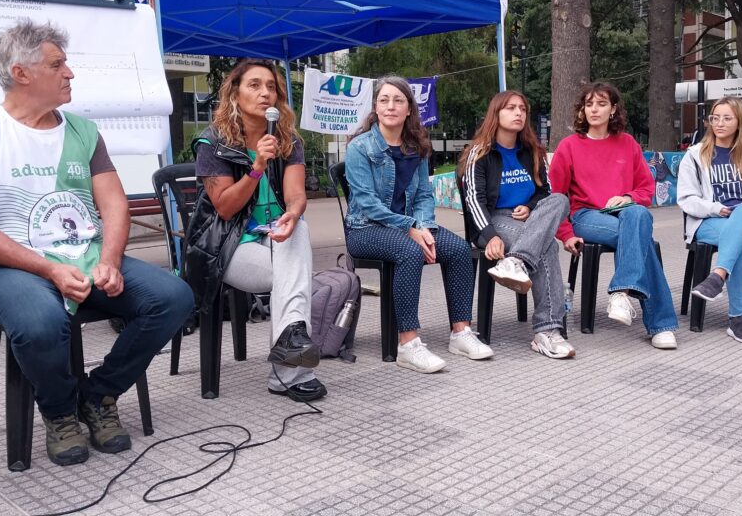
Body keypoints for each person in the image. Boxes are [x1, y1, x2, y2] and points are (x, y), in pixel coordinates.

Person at [0, 20, 194, 466]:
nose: (70, 72)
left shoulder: (83, 132)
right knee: (41, 322)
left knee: (173, 297)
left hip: (85, 255)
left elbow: (114, 205)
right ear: (21, 73)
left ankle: (98, 395)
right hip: (7, 267)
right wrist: (49, 269)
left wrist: (110, 261)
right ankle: (59, 412)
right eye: (58, 64)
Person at [184, 58, 326, 402]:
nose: (265, 93)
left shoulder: (287, 140)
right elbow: (225, 207)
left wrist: (292, 214)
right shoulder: (212, 142)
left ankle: (288, 358)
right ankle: (290, 372)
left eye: (271, 87)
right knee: (293, 274)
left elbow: (295, 196)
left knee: (299, 230)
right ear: (235, 93)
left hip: (278, 238)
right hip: (228, 245)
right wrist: (258, 166)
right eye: (254, 85)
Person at [344, 75, 493, 373]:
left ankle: (461, 332)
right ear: (376, 107)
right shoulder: (359, 147)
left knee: (459, 250)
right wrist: (410, 227)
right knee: (409, 252)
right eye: (384, 100)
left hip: (412, 225)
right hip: (365, 229)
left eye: (398, 100)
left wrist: (423, 227)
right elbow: (367, 203)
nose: (391, 106)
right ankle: (408, 344)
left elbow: (424, 194)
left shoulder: (417, 147)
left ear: (409, 109)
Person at [549, 82, 680, 350]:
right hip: (586, 215)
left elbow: (646, 188)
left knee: (638, 214)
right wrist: (565, 233)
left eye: (601, 104)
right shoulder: (569, 146)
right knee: (641, 239)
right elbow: (556, 197)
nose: (594, 109)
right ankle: (660, 324)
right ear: (582, 110)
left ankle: (621, 290)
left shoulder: (627, 143)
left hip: (625, 214)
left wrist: (628, 197)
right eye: (589, 104)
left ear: (613, 109)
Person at [459, 91, 574, 359]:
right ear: (496, 113)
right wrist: (490, 235)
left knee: (560, 200)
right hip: (493, 220)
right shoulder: (480, 152)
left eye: (522, 108)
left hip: (529, 219)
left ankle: (516, 261)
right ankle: (547, 331)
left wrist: (531, 206)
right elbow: (473, 200)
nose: (518, 113)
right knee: (548, 247)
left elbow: (545, 192)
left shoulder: (532, 151)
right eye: (511, 108)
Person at [677, 97, 742, 344]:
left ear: (739, 122)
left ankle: (718, 276)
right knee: (737, 239)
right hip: (710, 221)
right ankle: (738, 318)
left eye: (727, 118)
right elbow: (686, 198)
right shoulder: (695, 155)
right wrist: (716, 208)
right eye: (715, 118)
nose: (719, 123)